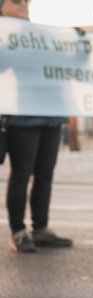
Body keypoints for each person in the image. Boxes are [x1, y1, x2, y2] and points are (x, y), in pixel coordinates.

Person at [2, 0, 72, 252]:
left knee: (45, 174)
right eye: (16, 2)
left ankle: (40, 228)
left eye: (26, 2)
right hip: (22, 116)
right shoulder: (7, 35)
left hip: (50, 114)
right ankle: (18, 232)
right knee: (21, 174)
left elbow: (65, 64)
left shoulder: (41, 35)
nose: (24, 5)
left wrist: (81, 45)